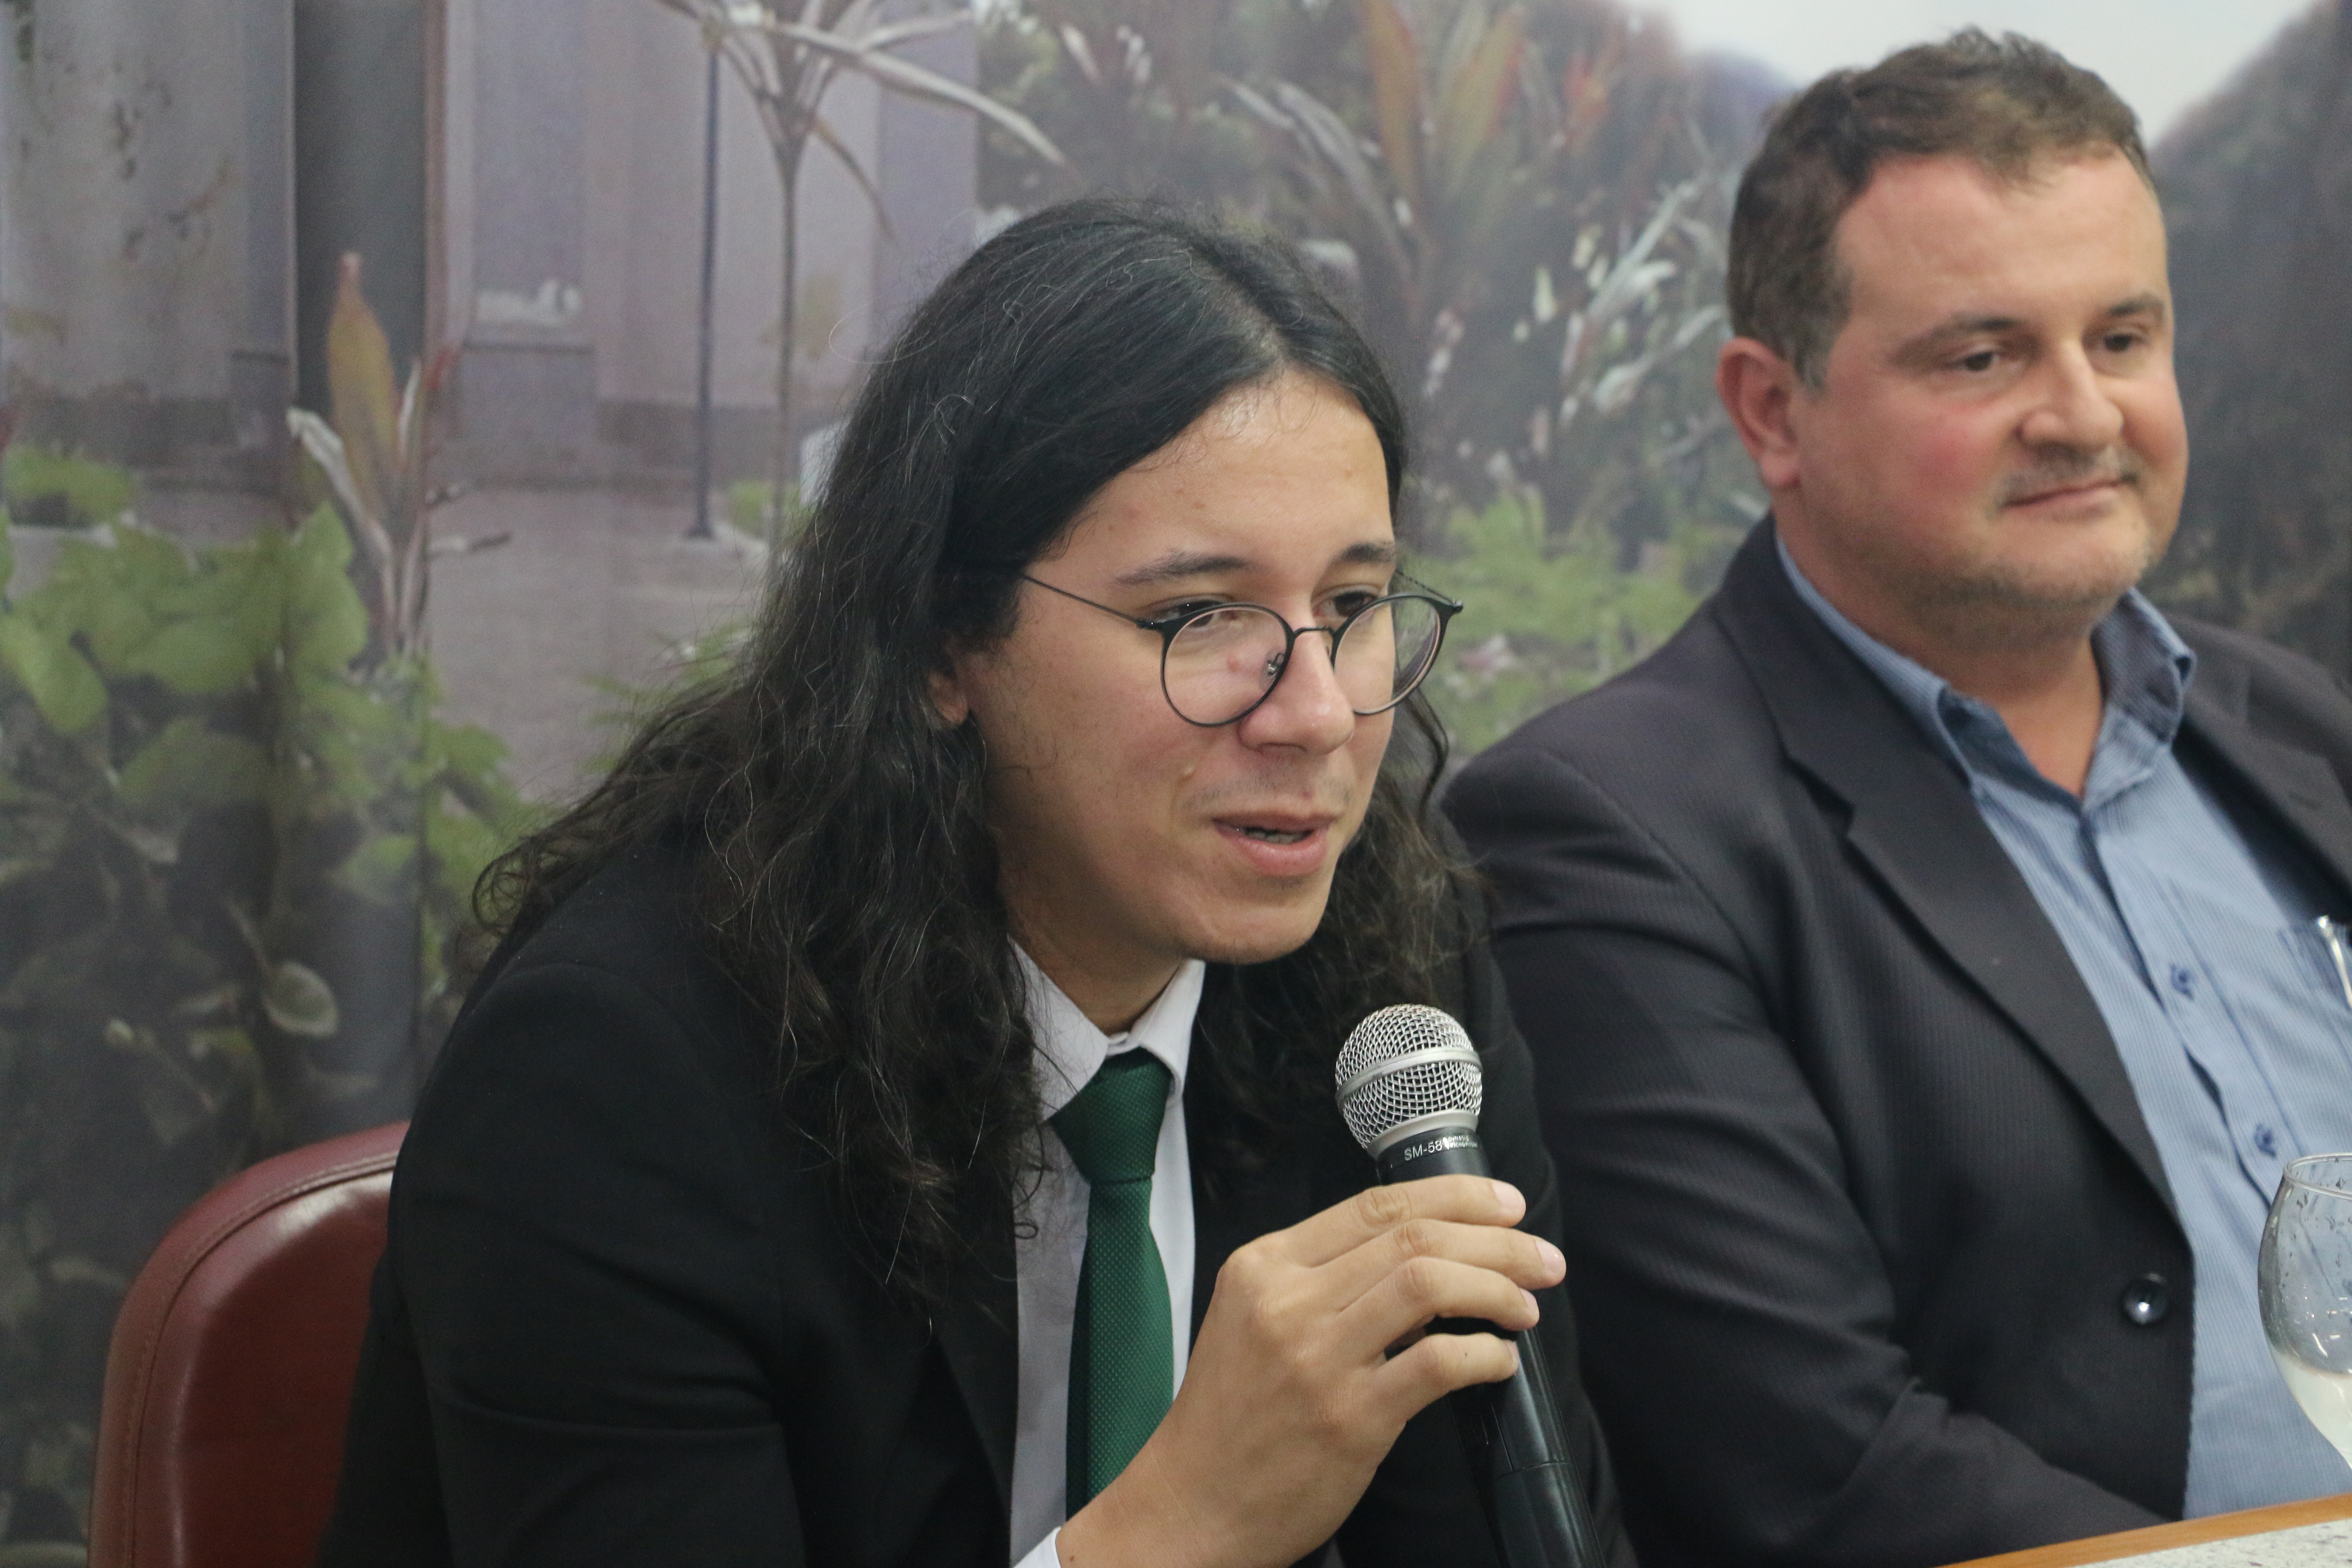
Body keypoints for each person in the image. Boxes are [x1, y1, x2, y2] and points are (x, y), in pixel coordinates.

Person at [316, 199, 1632, 1568]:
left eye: (1352, 609)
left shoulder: (1391, 986)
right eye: (1198, 617)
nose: (1314, 716)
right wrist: (1181, 1529)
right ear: (945, 641)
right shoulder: (620, 1076)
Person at [1447, 30, 2352, 1568]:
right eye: (1983, 357)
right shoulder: (1609, 836)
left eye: (2123, 337)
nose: (2084, 414)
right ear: (1771, 411)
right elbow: (1821, 1472)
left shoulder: (2297, 730)